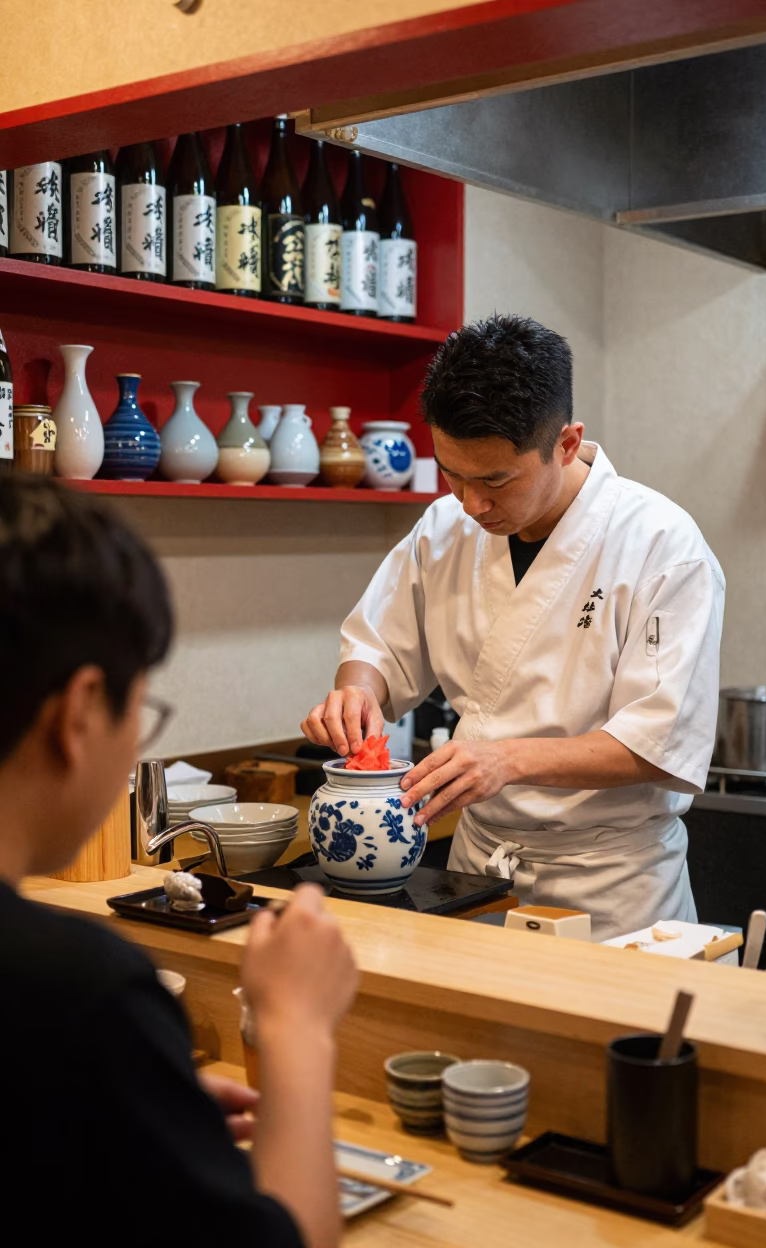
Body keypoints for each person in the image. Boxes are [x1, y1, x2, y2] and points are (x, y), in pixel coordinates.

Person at [0, 476, 357, 1247]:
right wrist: (294, 1027)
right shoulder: (78, 988)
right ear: (81, 712)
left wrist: (131, 1096)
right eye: (143, 710)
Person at [302, 315, 725, 940]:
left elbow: (657, 743)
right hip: (476, 876)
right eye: (453, 473)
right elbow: (378, 645)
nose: (471, 504)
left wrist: (505, 761)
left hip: (612, 886)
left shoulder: (662, 545)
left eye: (496, 480)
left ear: (566, 441)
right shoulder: (443, 528)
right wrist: (357, 693)